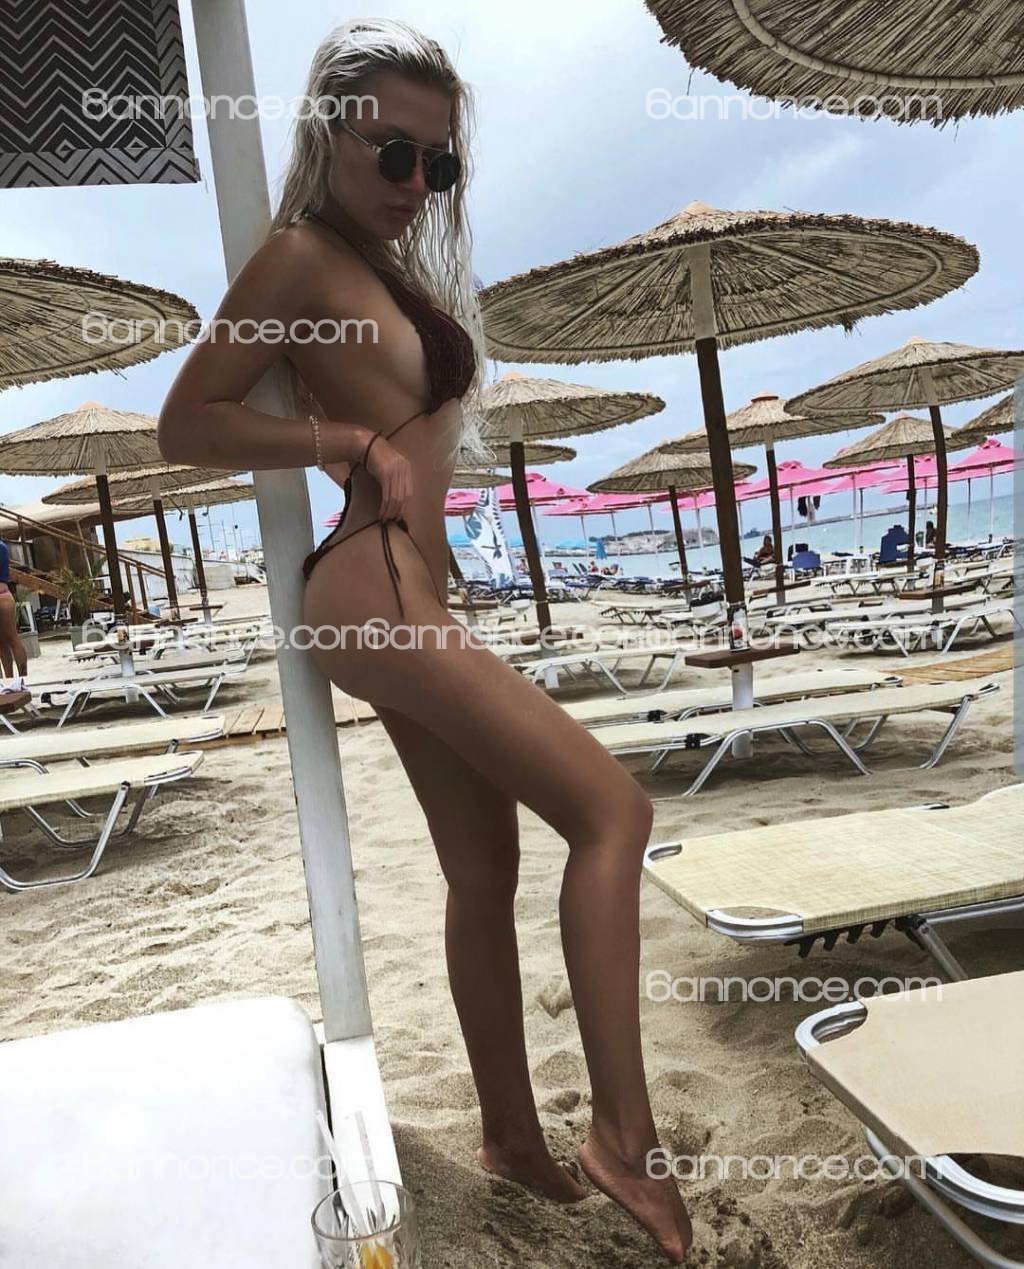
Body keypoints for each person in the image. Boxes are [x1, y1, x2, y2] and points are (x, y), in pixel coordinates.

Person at [157, 19, 690, 1263]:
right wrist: (340, 442)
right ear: (329, 133)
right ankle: (624, 1137)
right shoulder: (298, 257)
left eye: (438, 164)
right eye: (392, 152)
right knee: (613, 814)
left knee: (482, 870)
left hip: (405, 593)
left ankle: (509, 1137)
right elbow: (189, 421)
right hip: (371, 585)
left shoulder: (379, 271)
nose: (416, 182)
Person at [0, 539, 28, 680]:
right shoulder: (3, 546)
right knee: (13, 639)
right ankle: (22, 679)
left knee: (3, 644)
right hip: (4, 593)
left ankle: (7, 681)